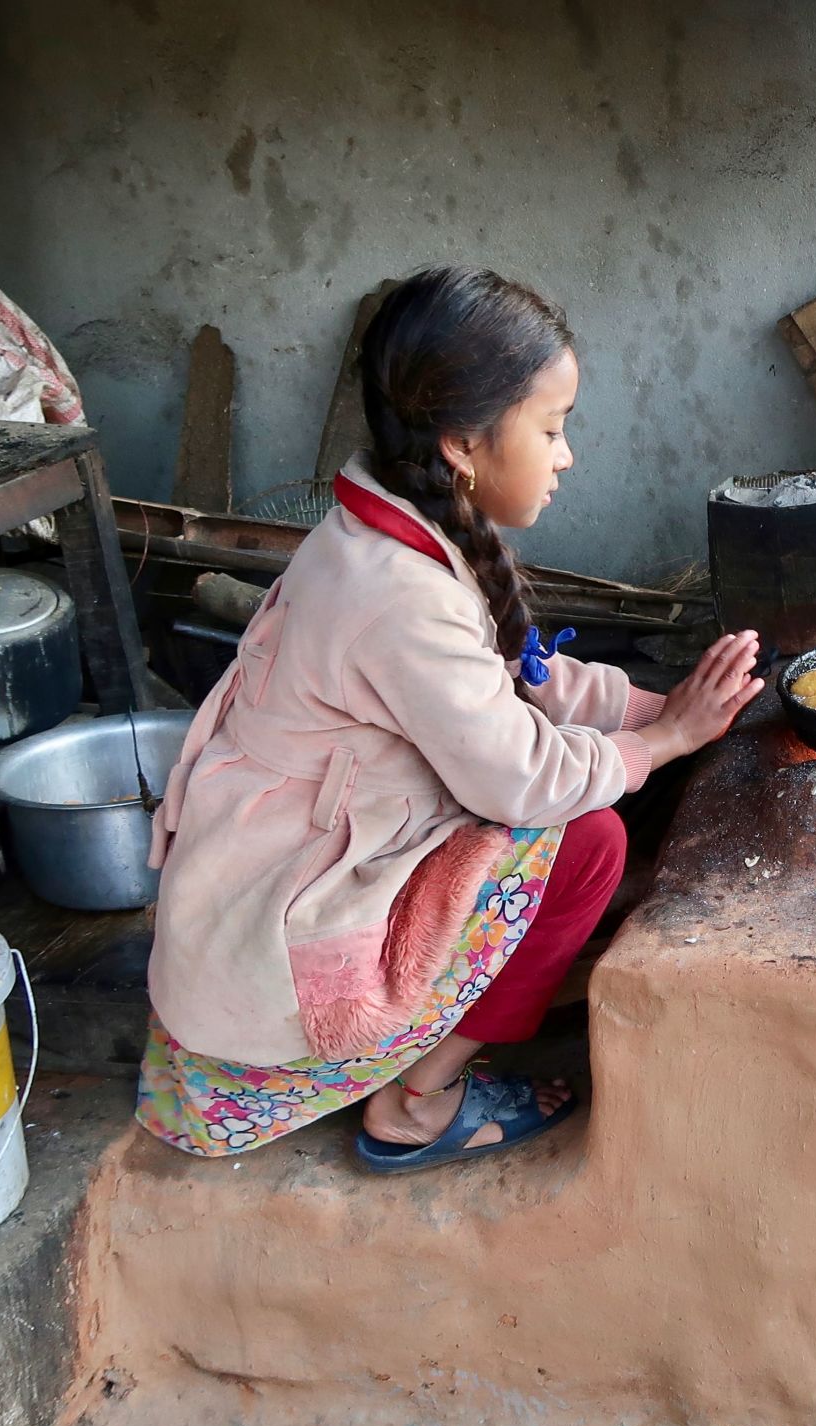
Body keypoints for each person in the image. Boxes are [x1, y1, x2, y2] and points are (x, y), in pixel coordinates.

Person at [136, 265, 761, 1171]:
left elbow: (515, 680)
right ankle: (415, 1100)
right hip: (279, 917)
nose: (566, 454)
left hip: (292, 854)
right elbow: (521, 776)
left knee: (595, 796)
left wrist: (654, 708)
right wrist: (661, 743)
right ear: (464, 443)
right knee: (585, 841)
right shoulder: (397, 590)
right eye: (552, 429)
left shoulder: (395, 526)